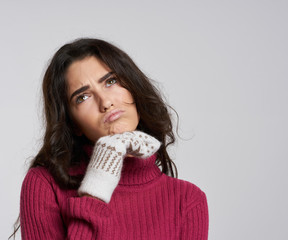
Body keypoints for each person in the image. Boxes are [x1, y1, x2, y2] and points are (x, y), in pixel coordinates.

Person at [15, 38, 209, 239]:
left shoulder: (188, 199)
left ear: (133, 87)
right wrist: (97, 183)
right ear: (73, 123)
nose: (106, 102)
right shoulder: (45, 184)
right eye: (82, 97)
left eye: (110, 81)